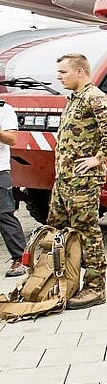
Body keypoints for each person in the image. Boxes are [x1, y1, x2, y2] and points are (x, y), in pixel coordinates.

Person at [50, 53, 107, 309]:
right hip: (65, 181)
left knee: (86, 233)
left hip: (83, 182)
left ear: (80, 72)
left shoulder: (94, 97)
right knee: (58, 230)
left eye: (63, 72)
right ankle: (62, 281)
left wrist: (98, 158)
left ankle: (95, 288)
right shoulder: (73, 100)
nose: (59, 77)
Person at [0, 100, 28, 277]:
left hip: (0, 170)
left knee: (4, 214)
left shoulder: (4, 109)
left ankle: (21, 259)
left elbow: (12, 139)